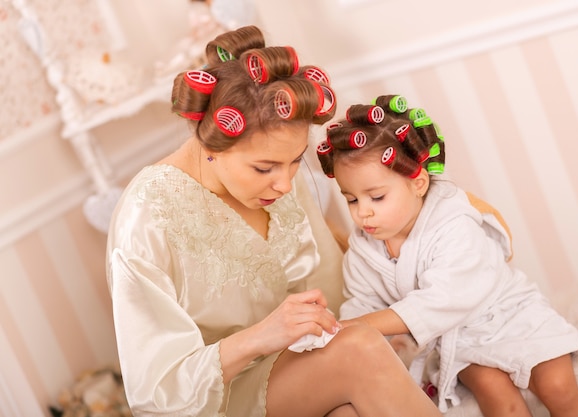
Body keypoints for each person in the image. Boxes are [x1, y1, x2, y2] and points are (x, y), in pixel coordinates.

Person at [106, 26, 443, 417]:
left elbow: (331, 287)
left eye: (296, 160)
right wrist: (261, 336)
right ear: (210, 143)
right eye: (264, 167)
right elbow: (155, 392)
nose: (285, 183)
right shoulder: (147, 217)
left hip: (300, 368)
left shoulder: (278, 182)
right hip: (219, 399)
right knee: (361, 349)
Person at [315, 95, 578, 417]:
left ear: (417, 183)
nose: (363, 213)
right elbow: (363, 302)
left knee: (557, 386)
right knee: (498, 398)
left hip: (510, 315)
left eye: (377, 197)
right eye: (351, 200)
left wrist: (356, 325)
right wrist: (350, 328)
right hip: (460, 339)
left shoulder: (454, 224)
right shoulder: (363, 251)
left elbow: (442, 300)